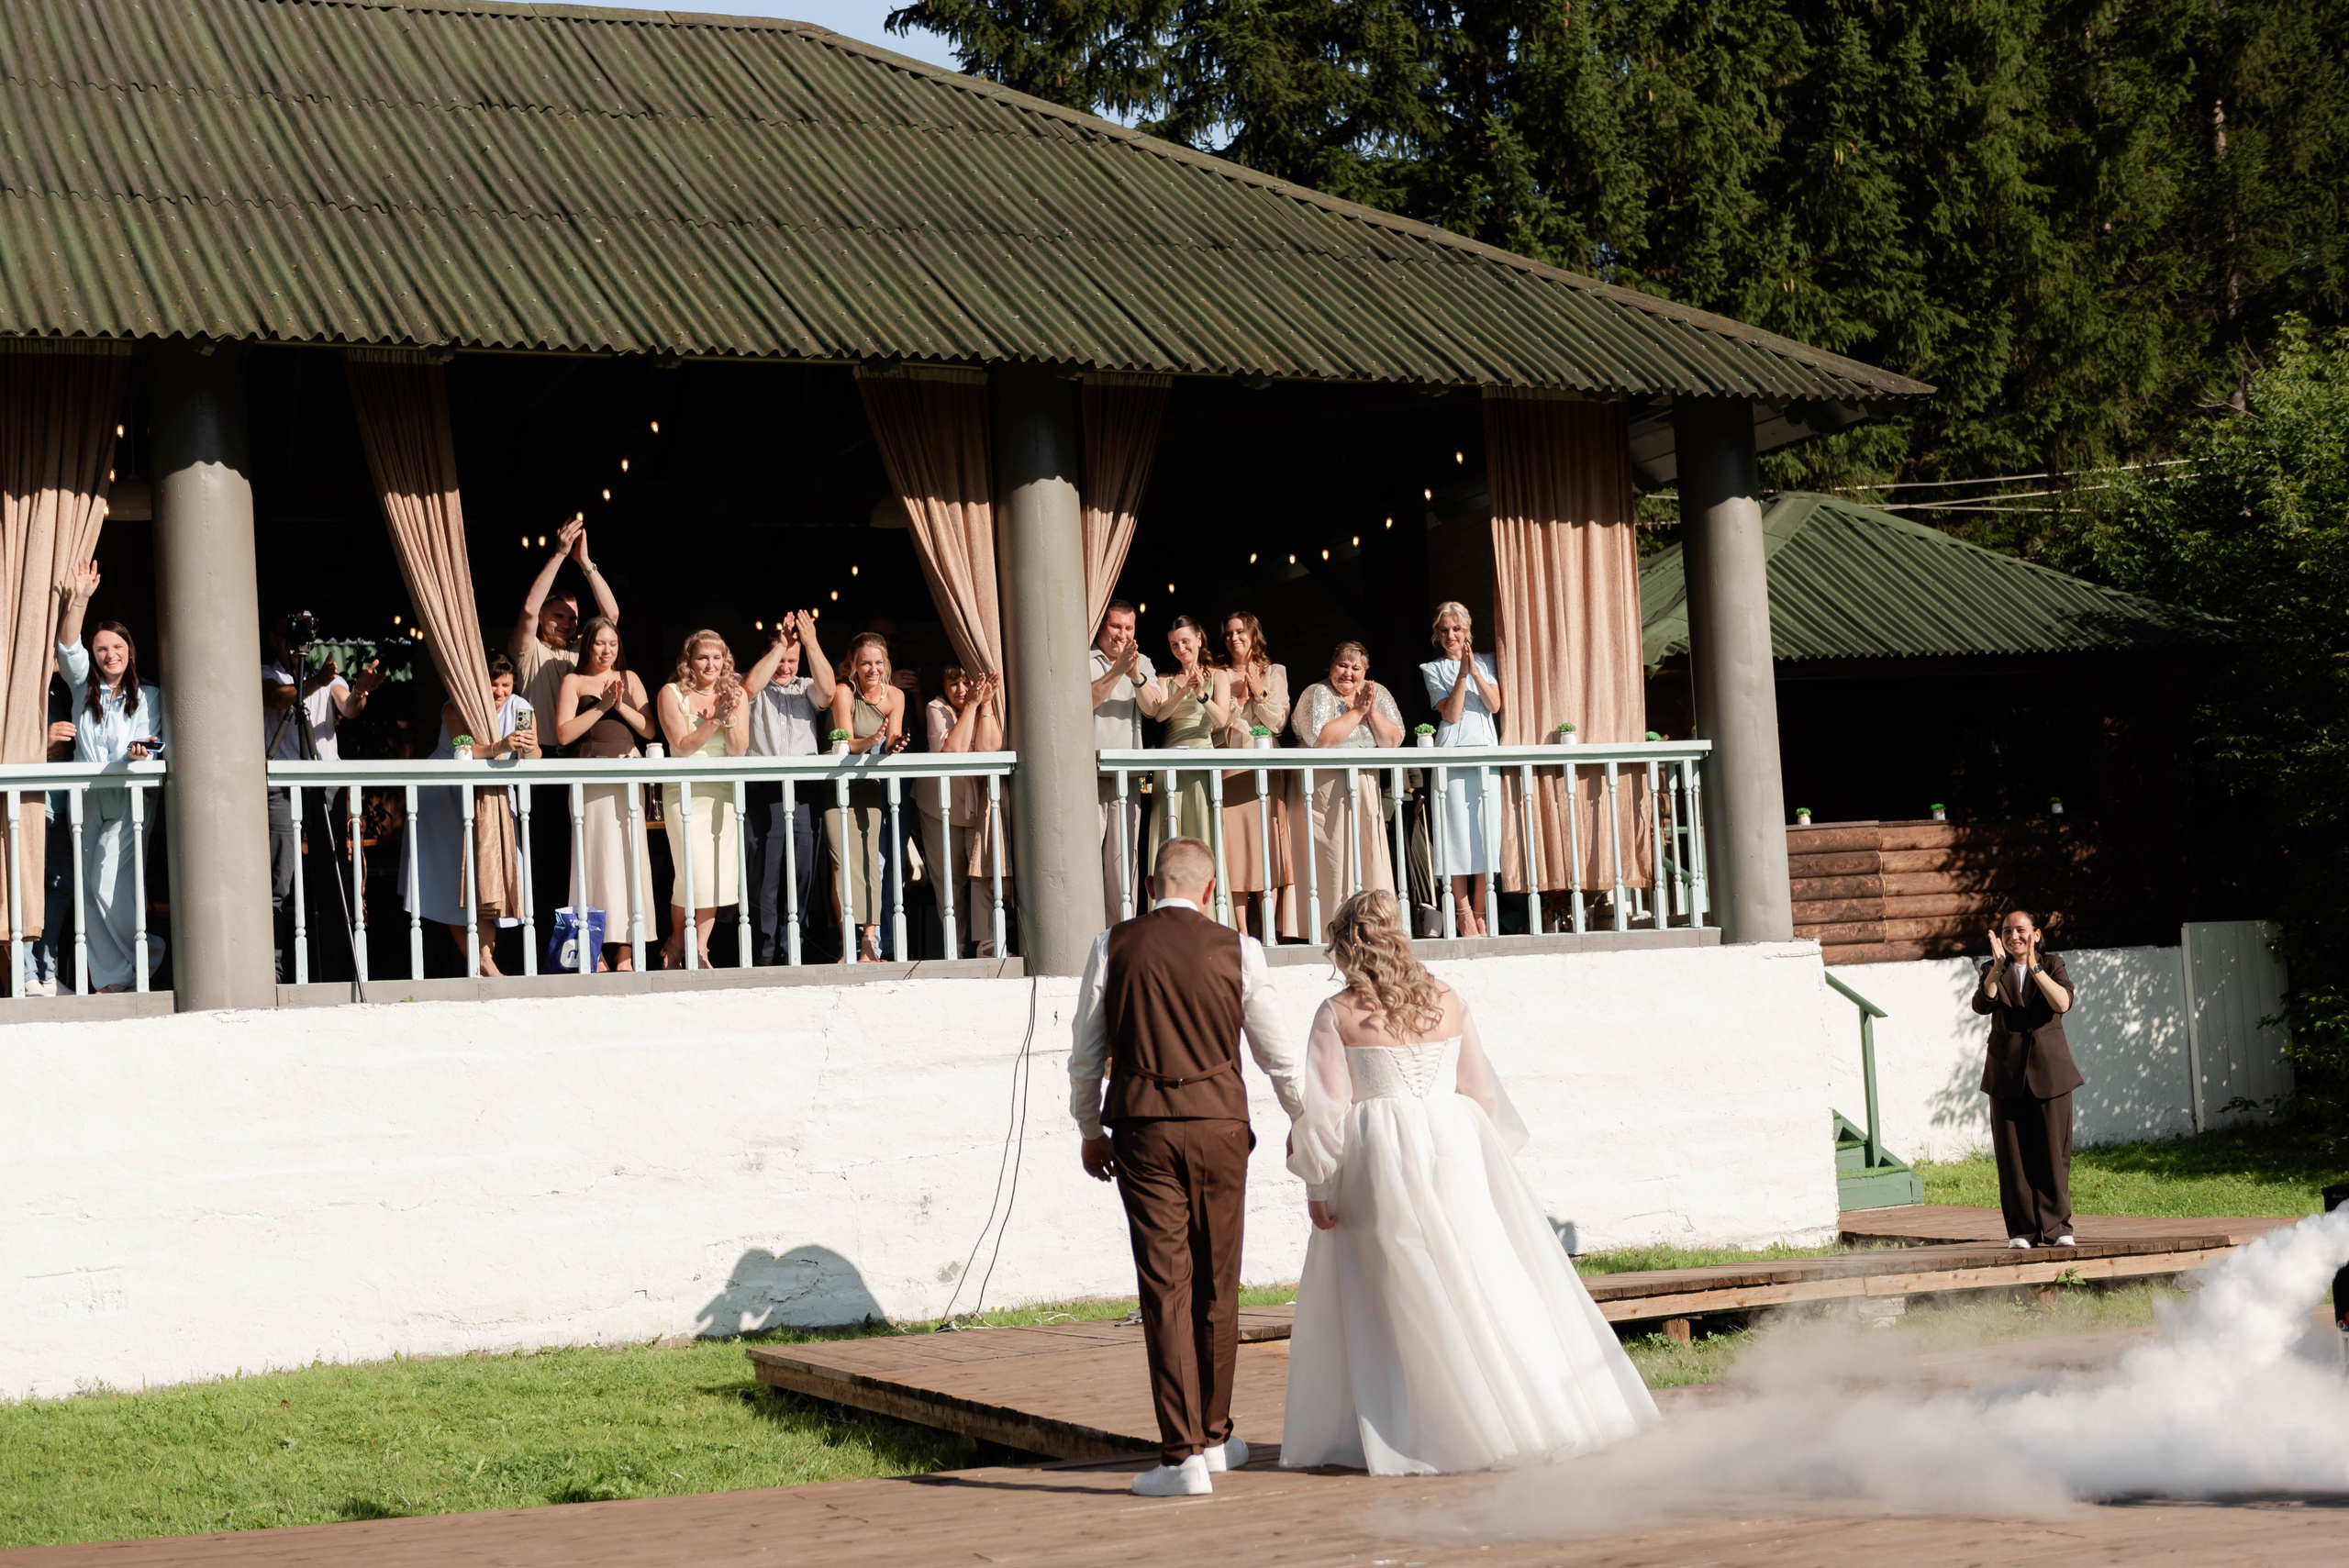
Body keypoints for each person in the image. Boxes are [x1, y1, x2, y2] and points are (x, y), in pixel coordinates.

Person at [1282, 891, 1658, 1473]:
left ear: (1346, 943)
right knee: (1480, 1274)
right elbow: (1480, 1094)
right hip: (1453, 1145)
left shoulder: (1337, 1014)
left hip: (1378, 1158)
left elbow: (1326, 1113)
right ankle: (1528, 1411)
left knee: (1399, 1288)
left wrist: (1318, 1187)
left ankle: (1426, 1425)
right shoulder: (1447, 1000)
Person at [1067, 836, 1306, 1496]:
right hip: (1223, 1127)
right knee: (1218, 1280)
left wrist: (1090, 1129)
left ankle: (1182, 1457)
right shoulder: (1240, 949)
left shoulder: (1112, 944)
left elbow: (1087, 1052)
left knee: (1166, 1286)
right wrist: (1306, 1121)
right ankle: (1216, 1433)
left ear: (1150, 885)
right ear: (1210, 889)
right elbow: (1278, 1056)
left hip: (1144, 1128)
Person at [54, 563, 166, 993]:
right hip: (85, 798)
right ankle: (113, 978)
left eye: (116, 646)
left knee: (107, 879)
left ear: (130, 650)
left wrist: (141, 752)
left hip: (127, 798)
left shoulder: (149, 696)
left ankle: (148, 951)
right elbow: (68, 648)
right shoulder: (83, 688)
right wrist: (79, 599)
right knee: (90, 886)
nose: (109, 654)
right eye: (101, 649)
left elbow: (153, 741)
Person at [509, 518, 620, 937]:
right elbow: (526, 609)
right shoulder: (529, 650)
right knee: (540, 858)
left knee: (576, 862)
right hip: (537, 763)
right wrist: (558, 554)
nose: (569, 624)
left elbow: (610, 615)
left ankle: (570, 946)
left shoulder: (581, 652)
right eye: (559, 616)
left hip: (576, 760)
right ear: (543, 621)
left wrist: (586, 563)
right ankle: (535, 947)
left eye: (574, 619)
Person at [263, 613, 385, 981]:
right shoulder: (268, 673)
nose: (296, 643)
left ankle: (337, 967)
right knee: (278, 880)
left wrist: (360, 689)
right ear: (274, 638)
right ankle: (274, 970)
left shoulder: (328, 679)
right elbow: (276, 699)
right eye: (288, 636)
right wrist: (316, 680)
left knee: (330, 872)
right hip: (283, 784)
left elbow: (348, 707)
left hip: (325, 783)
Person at [400, 654, 539, 976]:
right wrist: (499, 746)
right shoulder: (456, 706)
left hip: (491, 800)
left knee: (487, 879)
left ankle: (485, 960)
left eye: (506, 685)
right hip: (444, 798)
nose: (500, 692)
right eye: (494, 685)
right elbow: (466, 748)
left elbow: (534, 754)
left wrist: (529, 747)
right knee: (451, 881)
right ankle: (484, 963)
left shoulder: (520, 707)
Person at [1974, 909, 2081, 1249]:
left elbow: (2062, 1002)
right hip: (2005, 1074)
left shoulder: (2052, 965)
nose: (2013, 936)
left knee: (2052, 1152)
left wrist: (2034, 968)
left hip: (2050, 1073)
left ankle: (2057, 1228)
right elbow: (1982, 1003)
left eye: (2021, 930)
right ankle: (2022, 1231)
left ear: (2035, 933)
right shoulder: (1993, 969)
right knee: (2013, 1157)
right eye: (2007, 931)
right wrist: (1998, 967)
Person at [553, 617, 655, 971]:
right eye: (600, 643)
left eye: (612, 643)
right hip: (590, 777)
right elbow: (564, 734)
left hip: (627, 773)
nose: (607, 650)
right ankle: (592, 949)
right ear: (588, 646)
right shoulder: (575, 681)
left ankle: (625, 952)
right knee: (592, 859)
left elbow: (648, 727)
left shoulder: (630, 679)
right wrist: (601, 706)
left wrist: (619, 703)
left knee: (628, 859)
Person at [1290, 641, 1403, 941]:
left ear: (1366, 673)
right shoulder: (1316, 694)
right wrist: (1357, 712)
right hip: (1326, 792)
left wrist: (1370, 711)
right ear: (1331, 666)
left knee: (1366, 855)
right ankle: (1331, 930)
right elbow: (1321, 739)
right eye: (1343, 665)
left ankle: (1371, 928)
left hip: (1365, 788)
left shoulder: (1375, 695)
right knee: (1333, 859)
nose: (1348, 673)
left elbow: (1392, 741)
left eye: (1356, 668)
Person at [740, 610, 835, 962]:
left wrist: (809, 642)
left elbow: (828, 693)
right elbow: (747, 688)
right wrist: (782, 644)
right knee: (765, 875)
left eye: (792, 661)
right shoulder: (753, 685)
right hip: (764, 792)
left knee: (802, 873)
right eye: (781, 659)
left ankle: (794, 950)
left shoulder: (805, 687)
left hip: (803, 791)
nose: (786, 667)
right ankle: (764, 954)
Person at [657, 629, 749, 969]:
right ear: (689, 661)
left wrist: (731, 713)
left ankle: (700, 947)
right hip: (685, 789)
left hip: (721, 792)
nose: (710, 664)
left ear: (725, 661)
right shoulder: (671, 693)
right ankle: (677, 941)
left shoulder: (736, 694)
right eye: (702, 657)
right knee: (690, 870)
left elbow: (738, 749)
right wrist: (713, 721)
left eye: (717, 657)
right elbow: (681, 747)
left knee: (716, 870)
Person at [1419, 601, 1505, 938]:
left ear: (1467, 630)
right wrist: (1461, 676)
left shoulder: (1488, 661)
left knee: (1486, 831)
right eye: (1444, 631)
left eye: (1456, 629)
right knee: (1455, 833)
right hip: (1452, 753)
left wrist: (1475, 673)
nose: (1451, 636)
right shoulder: (1432, 668)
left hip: (1485, 752)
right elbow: (1451, 714)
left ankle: (1482, 911)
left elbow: (1495, 705)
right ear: (1437, 635)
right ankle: (1464, 912)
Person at [825, 632, 909, 962]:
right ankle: (848, 940)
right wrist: (872, 738)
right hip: (841, 783)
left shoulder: (896, 696)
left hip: (870, 783)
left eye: (877, 662)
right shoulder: (844, 691)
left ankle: (869, 943)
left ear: (885, 664)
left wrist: (893, 744)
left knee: (871, 860)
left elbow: (891, 741)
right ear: (854, 666)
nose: (872, 669)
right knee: (842, 862)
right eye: (865, 663)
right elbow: (844, 742)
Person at [1215, 611, 1294, 942]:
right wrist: (1237, 700)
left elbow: (1278, 723)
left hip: (1265, 764)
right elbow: (1216, 727)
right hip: (1232, 764)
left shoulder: (1275, 672)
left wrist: (1258, 690)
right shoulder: (1218, 675)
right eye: (1229, 633)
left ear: (1253, 634)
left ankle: (1269, 928)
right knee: (1237, 847)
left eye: (1240, 632)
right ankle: (1244, 931)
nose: (1235, 637)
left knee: (1268, 847)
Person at [918, 663, 1006, 957]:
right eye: (953, 683)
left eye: (966, 682)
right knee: (949, 879)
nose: (961, 689)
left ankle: (986, 942)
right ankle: (954, 945)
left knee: (981, 871)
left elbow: (990, 749)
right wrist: (971, 705)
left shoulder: (982, 704)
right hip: (939, 805)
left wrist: (987, 704)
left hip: (977, 803)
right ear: (942, 687)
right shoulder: (935, 707)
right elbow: (952, 752)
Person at [1143, 615, 1230, 884]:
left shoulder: (1219, 676)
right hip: (1170, 759)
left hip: (1201, 758)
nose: (1181, 649)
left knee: (1203, 829)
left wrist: (1201, 693)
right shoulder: (1165, 677)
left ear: (1199, 639)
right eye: (1174, 644)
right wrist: (1183, 691)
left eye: (1185, 641)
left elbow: (1222, 719)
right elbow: (1159, 715)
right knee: (1170, 830)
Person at [1090, 600, 1156, 924]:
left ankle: (1121, 932)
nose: (1122, 634)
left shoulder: (1141, 661)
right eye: (1116, 626)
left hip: (1129, 779)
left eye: (1128, 628)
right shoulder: (1084, 658)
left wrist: (1135, 675)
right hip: (1086, 776)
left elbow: (1153, 709)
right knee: (1087, 862)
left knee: (1122, 863)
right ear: (1102, 626)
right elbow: (1080, 701)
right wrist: (1117, 670)